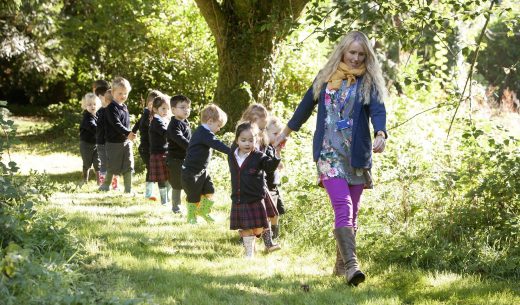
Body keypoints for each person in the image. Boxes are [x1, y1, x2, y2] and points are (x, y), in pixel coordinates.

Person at [274, 31, 387, 286]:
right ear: (343, 52)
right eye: (352, 53)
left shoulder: (368, 82)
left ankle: (340, 266)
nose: (356, 58)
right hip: (329, 153)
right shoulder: (326, 78)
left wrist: (381, 132)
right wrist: (284, 134)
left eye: (361, 54)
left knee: (353, 212)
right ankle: (352, 265)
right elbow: (305, 106)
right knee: (343, 206)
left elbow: (379, 110)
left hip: (356, 155)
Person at [229, 122, 281, 258]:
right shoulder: (232, 155)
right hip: (239, 197)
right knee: (245, 228)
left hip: (255, 197)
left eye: (251, 140)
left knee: (257, 228)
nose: (247, 143)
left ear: (256, 140)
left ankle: (259, 237)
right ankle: (249, 254)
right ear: (237, 140)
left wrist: (276, 156)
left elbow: (269, 167)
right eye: (243, 140)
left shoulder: (259, 156)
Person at [239, 104, 280, 252]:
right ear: (254, 119)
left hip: (260, 182)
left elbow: (264, 159)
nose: (263, 130)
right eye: (262, 127)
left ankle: (269, 244)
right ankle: (249, 245)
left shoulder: (261, 136)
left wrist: (275, 158)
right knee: (250, 216)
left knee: (266, 214)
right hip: (247, 183)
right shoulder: (244, 137)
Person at [181, 104, 230, 224]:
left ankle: (203, 211)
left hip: (202, 170)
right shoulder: (204, 132)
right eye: (218, 125)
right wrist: (232, 151)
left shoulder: (205, 132)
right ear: (210, 121)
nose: (219, 129)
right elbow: (217, 144)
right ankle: (191, 216)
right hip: (191, 171)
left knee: (210, 190)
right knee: (193, 195)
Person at [99, 77, 136, 193]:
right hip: (114, 143)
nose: (123, 96)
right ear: (113, 92)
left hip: (125, 142)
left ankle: (128, 189)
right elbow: (116, 124)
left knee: (128, 164)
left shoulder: (124, 107)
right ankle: (105, 185)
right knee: (113, 165)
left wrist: (130, 134)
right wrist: (127, 133)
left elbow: (126, 123)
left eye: (125, 93)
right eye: (120, 93)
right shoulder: (111, 108)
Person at [134, 90, 162, 200]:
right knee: (151, 169)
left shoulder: (153, 116)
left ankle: (158, 192)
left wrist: (133, 131)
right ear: (149, 104)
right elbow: (143, 123)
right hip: (146, 149)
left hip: (152, 148)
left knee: (154, 170)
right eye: (153, 105)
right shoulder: (147, 115)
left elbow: (137, 123)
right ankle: (148, 194)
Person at [166, 95, 192, 214]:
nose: (186, 110)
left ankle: (191, 204)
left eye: (188, 107)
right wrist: (193, 148)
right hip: (175, 159)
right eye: (182, 107)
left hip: (186, 158)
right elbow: (180, 140)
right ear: (173, 110)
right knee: (177, 184)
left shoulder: (186, 122)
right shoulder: (173, 125)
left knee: (188, 182)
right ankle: (176, 207)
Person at [148, 94, 172, 206]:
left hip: (166, 152)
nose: (166, 111)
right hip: (158, 153)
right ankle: (164, 200)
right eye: (163, 108)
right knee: (162, 179)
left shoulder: (165, 120)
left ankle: (168, 197)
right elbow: (165, 133)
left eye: (168, 108)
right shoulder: (156, 122)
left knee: (169, 177)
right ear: (155, 109)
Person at [265, 117, 287, 239]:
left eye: (279, 133)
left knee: (276, 212)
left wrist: (278, 152)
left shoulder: (273, 148)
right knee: (268, 213)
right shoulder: (265, 149)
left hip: (274, 184)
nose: (277, 136)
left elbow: (280, 166)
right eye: (275, 134)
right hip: (266, 184)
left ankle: (274, 235)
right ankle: (267, 235)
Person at [79, 92, 101, 185]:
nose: (92, 106)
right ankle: (85, 180)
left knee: (98, 162)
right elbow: (93, 127)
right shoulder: (87, 118)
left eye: (94, 104)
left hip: (96, 144)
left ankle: (99, 182)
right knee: (87, 163)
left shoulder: (97, 115)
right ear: (85, 106)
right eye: (89, 105)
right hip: (86, 144)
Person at [94, 84, 110, 186]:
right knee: (104, 163)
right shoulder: (99, 112)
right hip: (101, 142)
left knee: (111, 163)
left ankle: (111, 183)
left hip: (111, 142)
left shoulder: (111, 110)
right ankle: (103, 184)